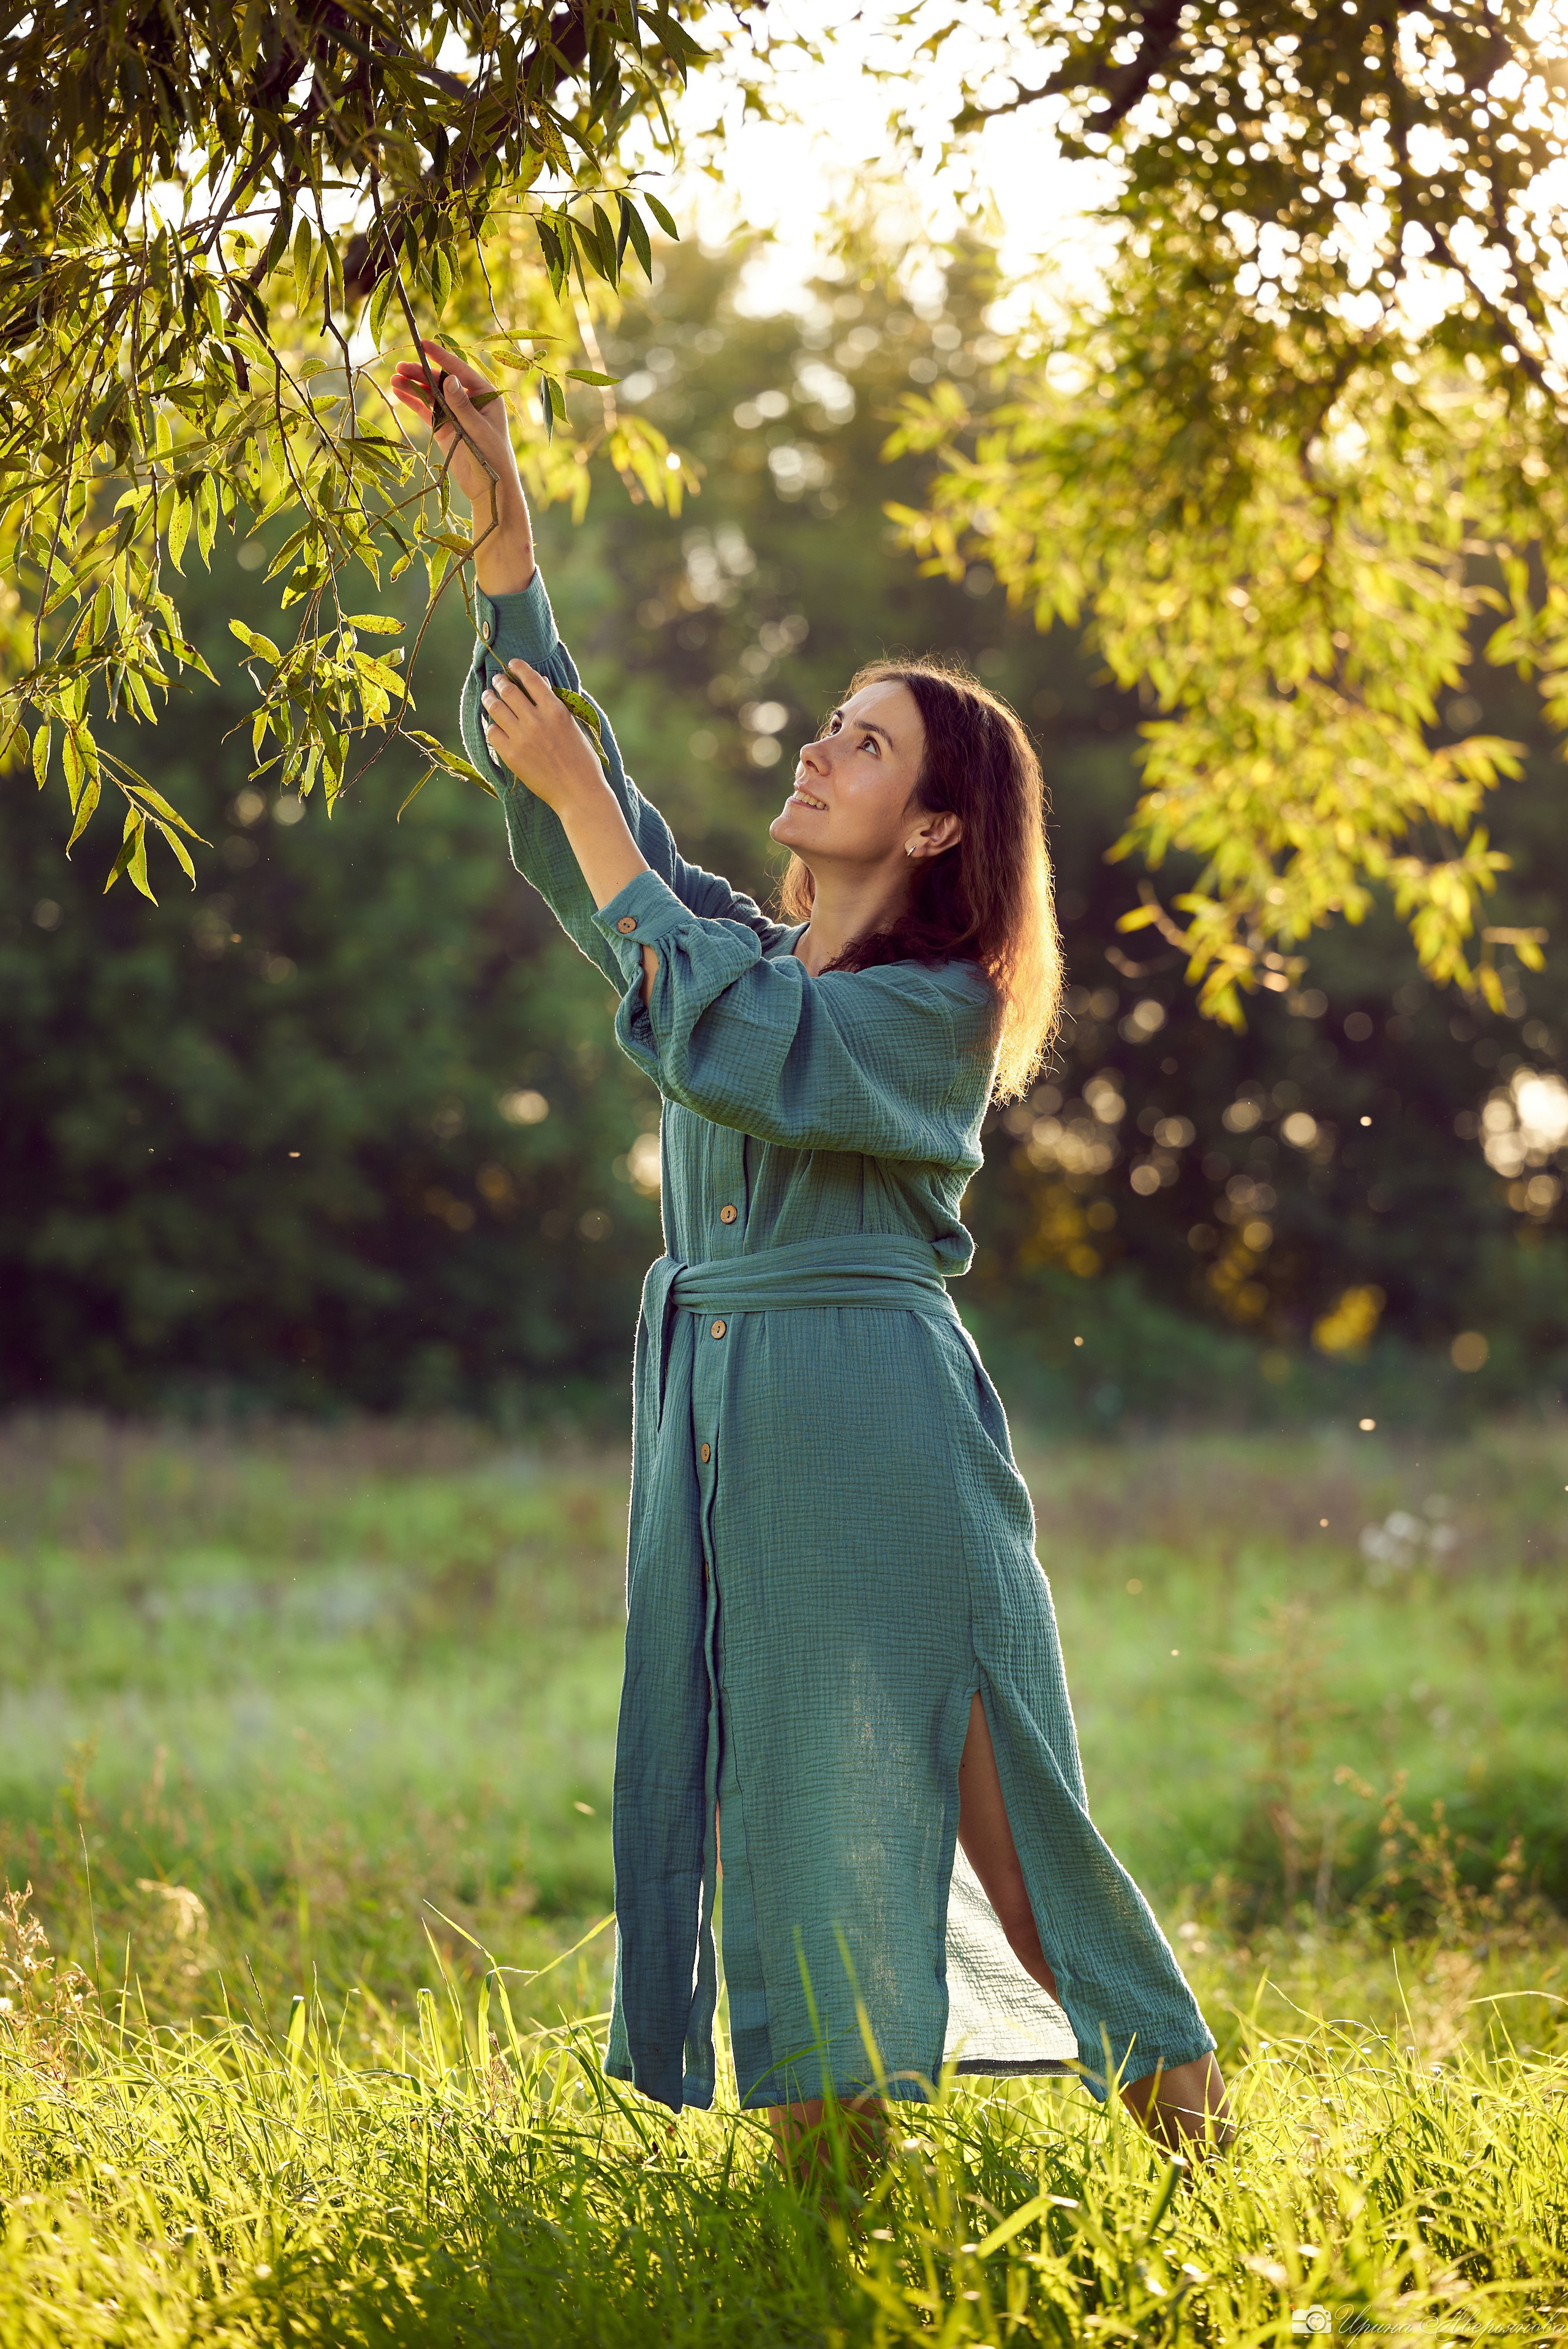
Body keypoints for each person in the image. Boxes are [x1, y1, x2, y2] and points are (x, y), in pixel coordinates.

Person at [390, 341, 1232, 2169]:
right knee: (780, 1791)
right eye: (828, 719)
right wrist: (500, 519)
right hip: (725, 1408)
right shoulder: (735, 950)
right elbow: (584, 820)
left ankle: (1206, 2151)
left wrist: (596, 817)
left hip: (875, 1420)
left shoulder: (932, 1008)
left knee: (1006, 1820)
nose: (818, 744)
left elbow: (717, 1031)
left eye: (866, 740)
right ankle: (823, 2205)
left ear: (934, 823)